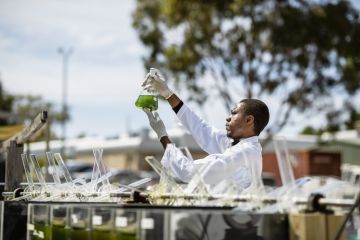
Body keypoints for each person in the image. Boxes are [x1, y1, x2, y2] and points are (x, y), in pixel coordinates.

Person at [142, 68, 270, 193]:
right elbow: (200, 128)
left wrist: (162, 135)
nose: (228, 118)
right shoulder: (236, 145)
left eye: (234, 113)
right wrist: (167, 93)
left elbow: (188, 172)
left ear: (249, 120)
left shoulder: (245, 152)